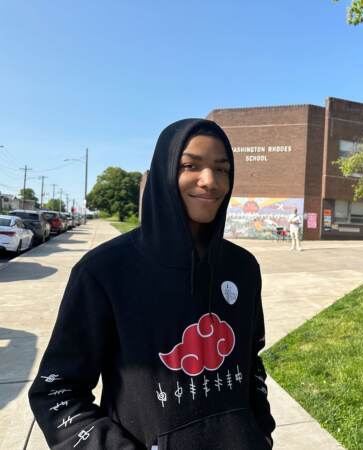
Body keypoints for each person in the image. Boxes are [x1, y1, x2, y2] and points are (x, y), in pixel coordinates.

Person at [29, 119, 276, 449]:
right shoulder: (105, 270)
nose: (210, 181)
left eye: (222, 169)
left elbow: (251, 357)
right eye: (191, 165)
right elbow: (57, 391)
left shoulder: (243, 268)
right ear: (164, 172)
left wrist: (259, 432)